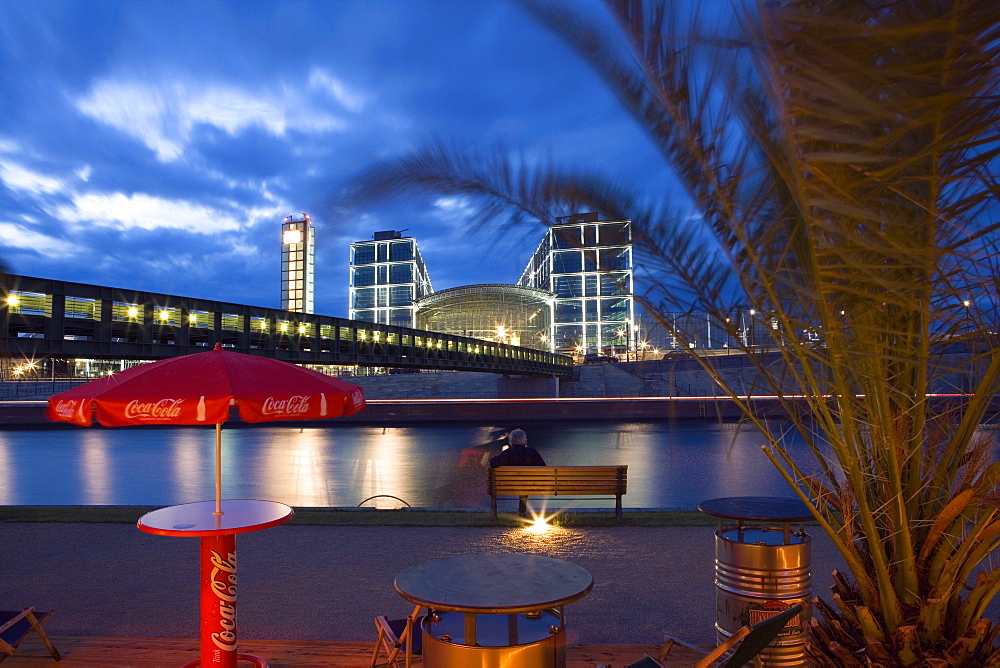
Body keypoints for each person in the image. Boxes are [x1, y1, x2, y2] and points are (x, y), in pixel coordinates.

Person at [489, 428, 545, 516]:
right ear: (520, 439)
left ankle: (495, 514)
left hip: (509, 485)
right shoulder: (532, 452)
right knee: (525, 483)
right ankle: (522, 511)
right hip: (530, 485)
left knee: (522, 483)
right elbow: (543, 468)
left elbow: (493, 463)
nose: (526, 439)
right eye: (525, 437)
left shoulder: (508, 453)